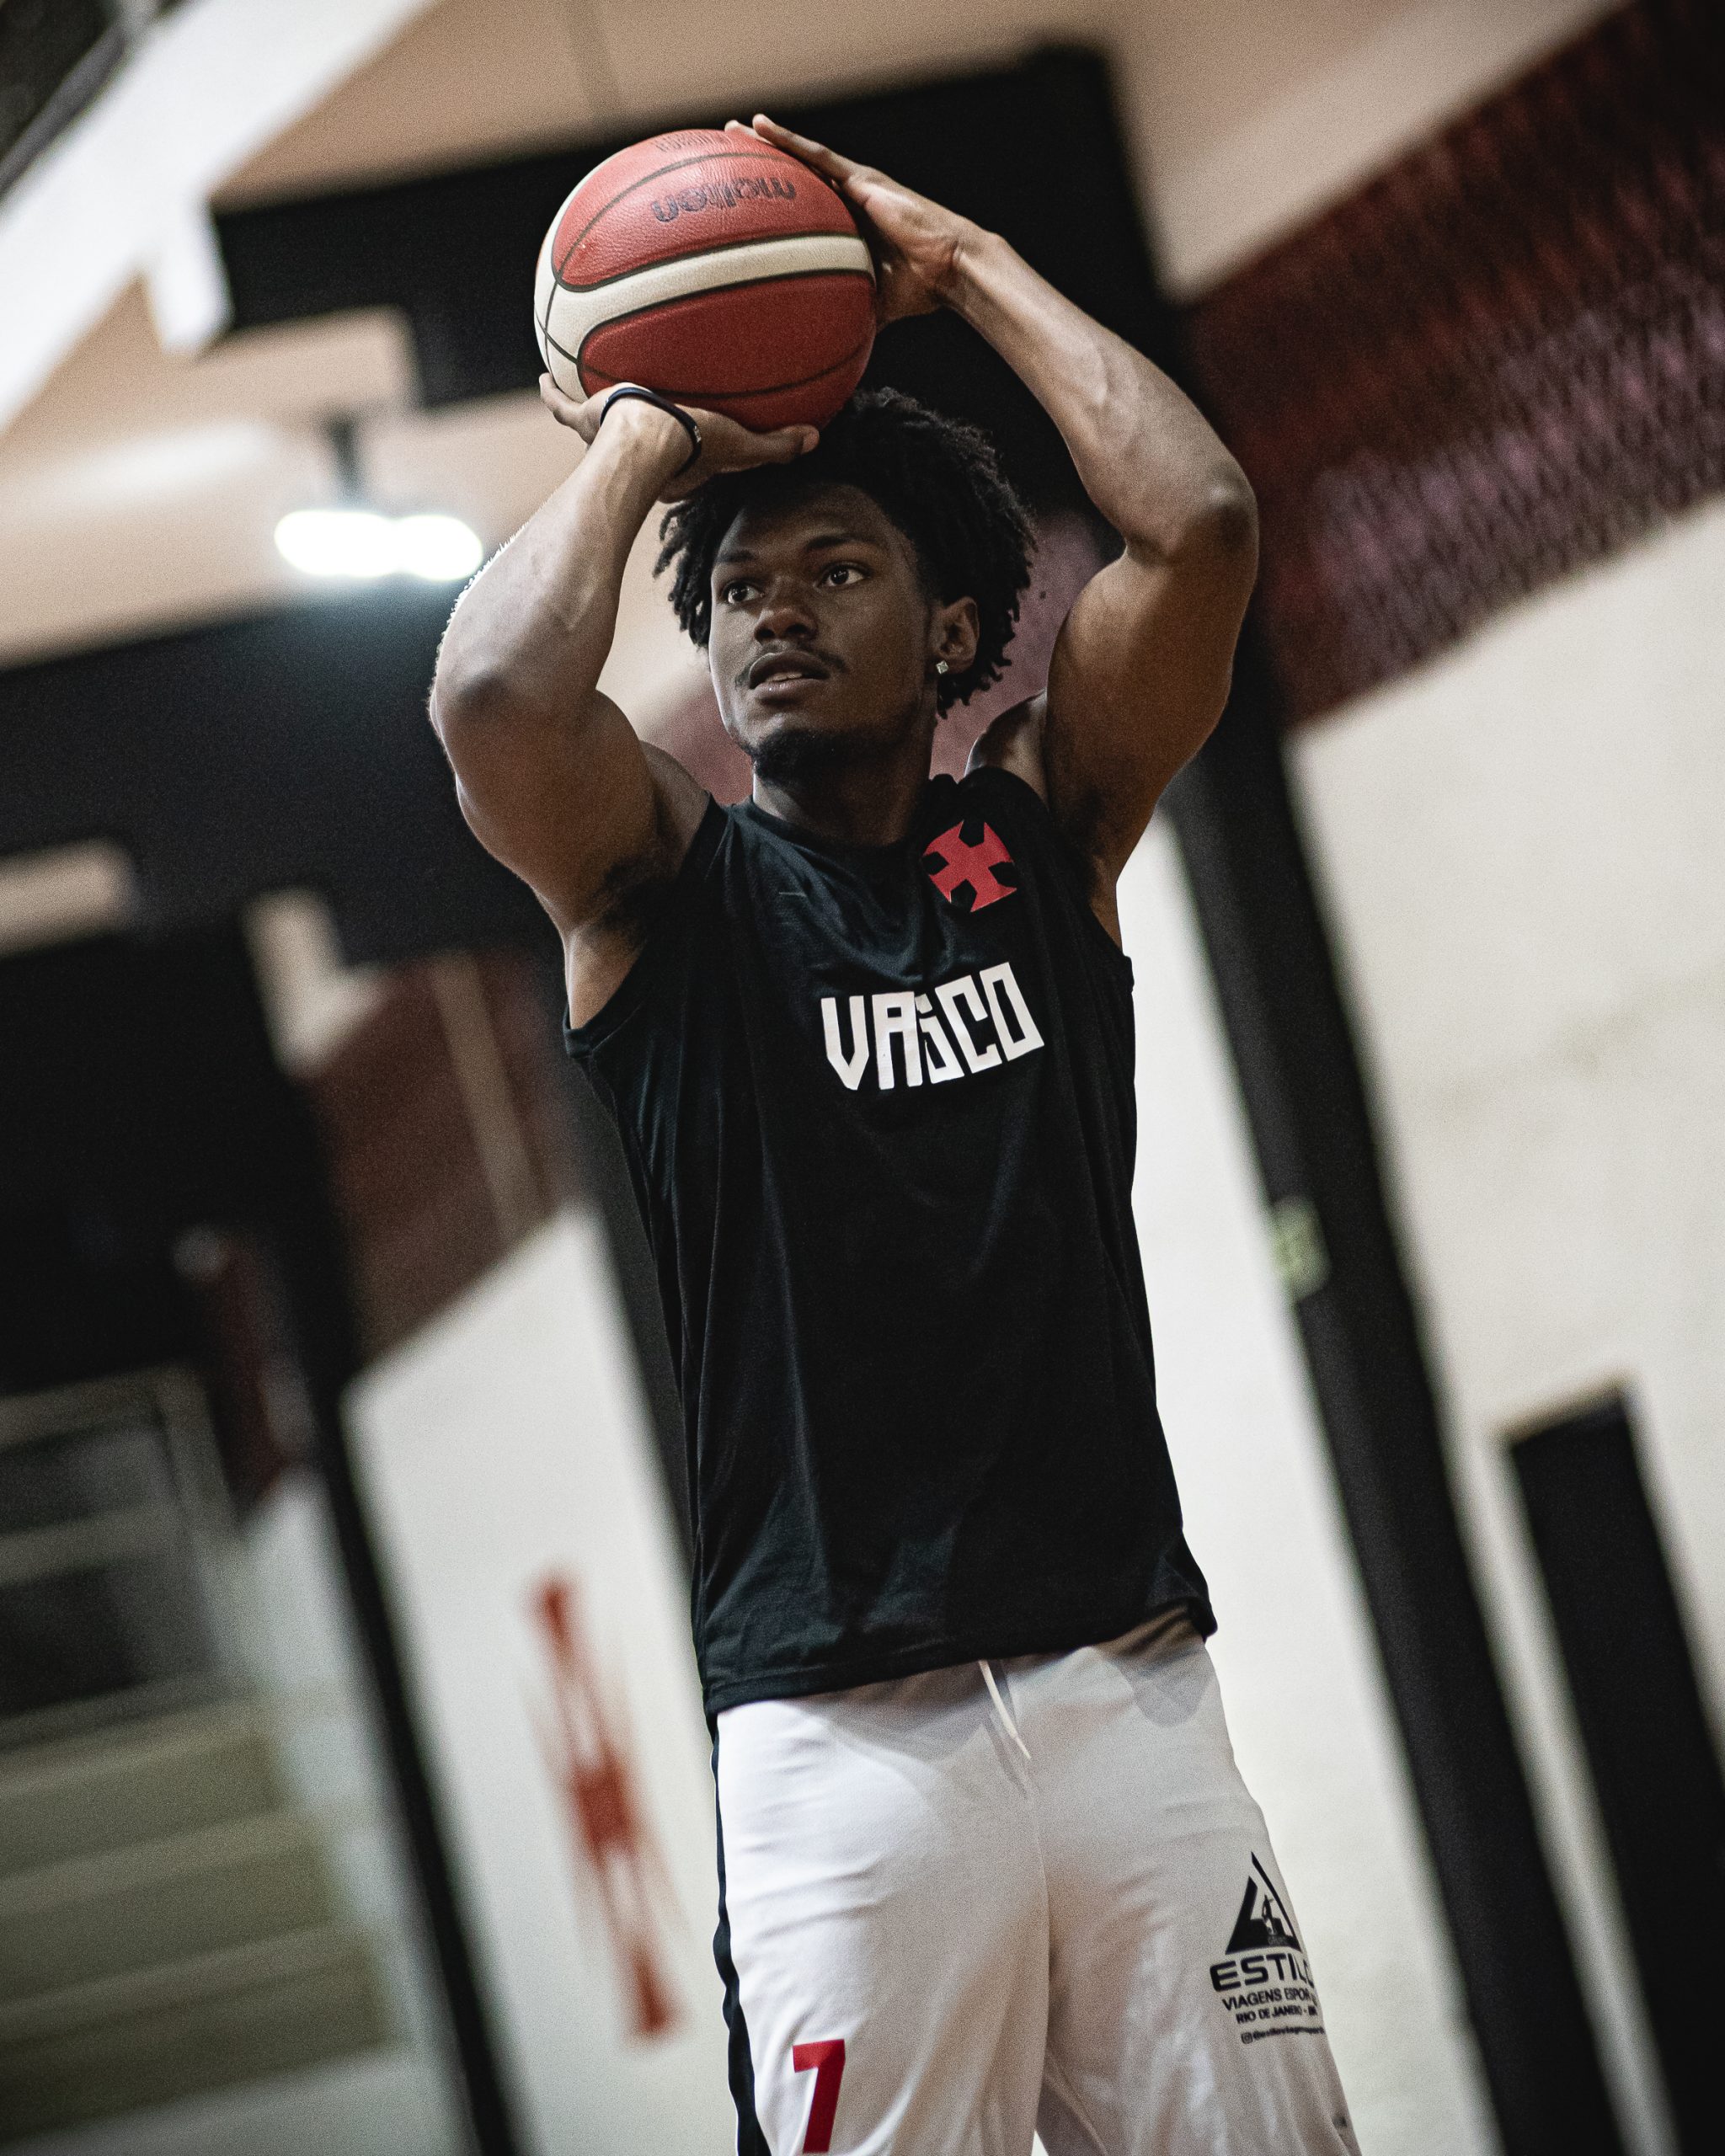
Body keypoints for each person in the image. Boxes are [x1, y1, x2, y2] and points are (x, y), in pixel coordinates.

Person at [431, 114, 1356, 2156]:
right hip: (846, 1743)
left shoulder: (1037, 830)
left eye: (834, 570)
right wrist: (650, 428)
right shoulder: (667, 899)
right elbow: (494, 696)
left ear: (953, 629)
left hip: (1129, 1695)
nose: (770, 612)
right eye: (736, 591)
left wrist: (965, 260)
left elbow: (1197, 525)